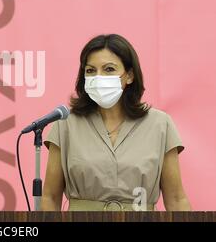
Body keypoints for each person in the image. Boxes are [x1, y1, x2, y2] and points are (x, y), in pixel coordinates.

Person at [41, 34, 191, 211]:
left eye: (109, 69)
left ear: (129, 75)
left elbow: (175, 198)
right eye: (90, 71)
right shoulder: (65, 123)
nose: (99, 77)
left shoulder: (160, 124)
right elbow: (50, 197)